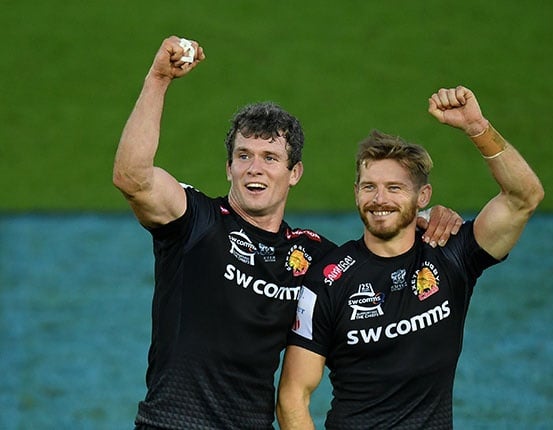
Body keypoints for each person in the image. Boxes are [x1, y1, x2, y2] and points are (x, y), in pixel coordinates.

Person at [112, 36, 463, 429]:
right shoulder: (197, 222)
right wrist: (159, 78)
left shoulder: (312, 256)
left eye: (270, 158)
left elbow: (377, 255)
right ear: (229, 168)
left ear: (294, 173)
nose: (254, 168)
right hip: (174, 423)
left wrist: (423, 215)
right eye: (243, 156)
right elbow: (133, 178)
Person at [276, 85, 545, 429]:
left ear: (423, 196)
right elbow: (292, 396)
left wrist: (477, 128)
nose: (380, 198)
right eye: (369, 186)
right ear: (356, 193)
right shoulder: (328, 280)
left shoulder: (452, 254)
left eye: (395, 187)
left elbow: (525, 197)